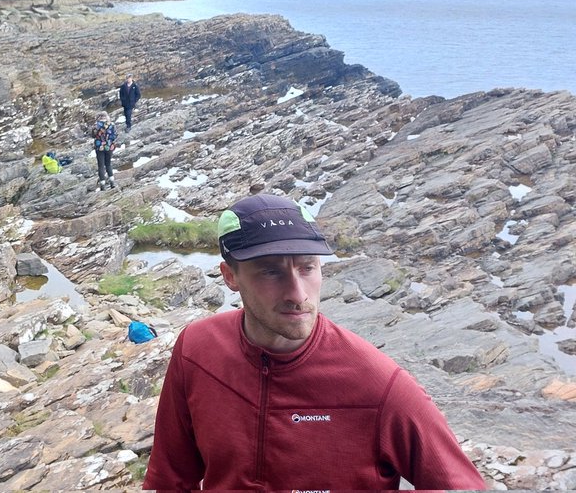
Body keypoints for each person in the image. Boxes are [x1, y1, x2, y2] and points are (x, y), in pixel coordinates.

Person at [144, 193, 486, 492]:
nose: (298, 294)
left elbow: (460, 485)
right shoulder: (197, 349)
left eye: (307, 268)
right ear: (230, 276)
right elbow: (171, 477)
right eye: (271, 271)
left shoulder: (379, 384)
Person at [91, 111, 116, 190]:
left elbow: (93, 135)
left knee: (101, 166)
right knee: (108, 164)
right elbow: (114, 136)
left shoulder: (96, 126)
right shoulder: (111, 124)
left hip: (99, 147)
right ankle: (112, 182)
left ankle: (103, 185)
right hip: (109, 146)